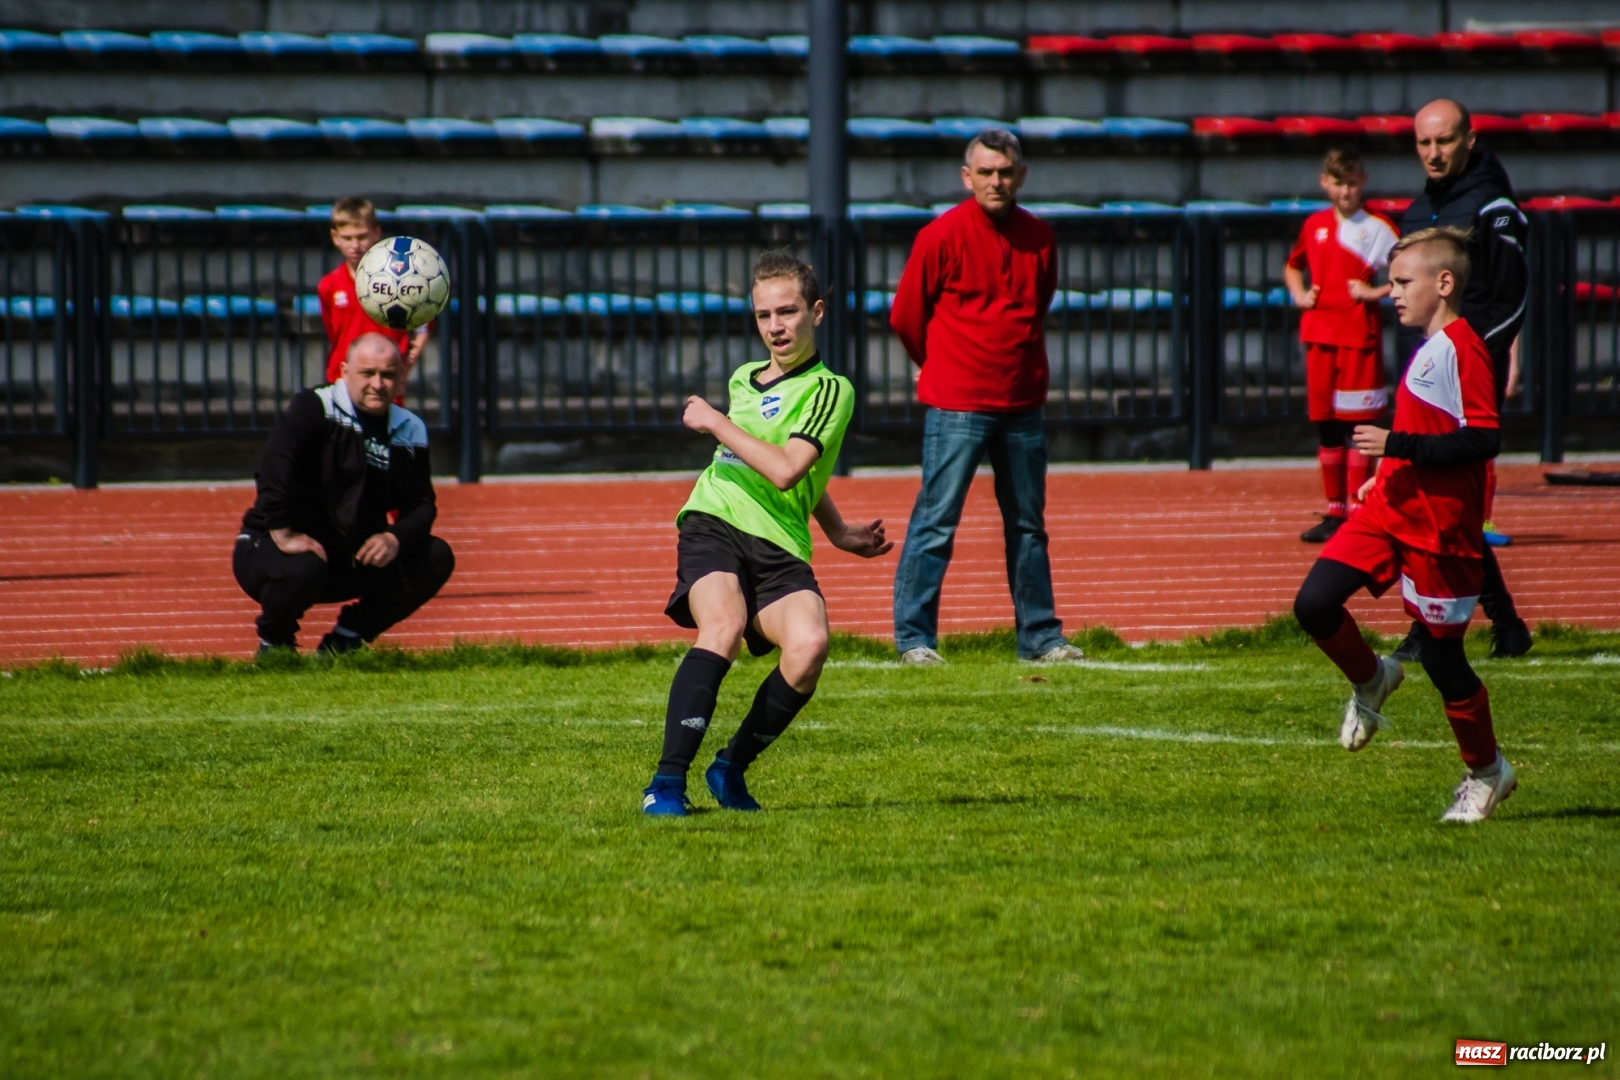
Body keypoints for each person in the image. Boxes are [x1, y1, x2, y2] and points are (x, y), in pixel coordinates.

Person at [641, 252, 893, 817]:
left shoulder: (830, 390)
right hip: (714, 519)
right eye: (763, 315)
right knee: (723, 625)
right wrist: (838, 530)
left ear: (817, 312)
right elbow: (763, 459)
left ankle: (729, 768)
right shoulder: (743, 379)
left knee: (809, 646)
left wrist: (715, 422)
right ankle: (666, 784)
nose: (775, 327)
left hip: (778, 541)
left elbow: (786, 469)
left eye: (787, 311)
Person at [1293, 227, 1515, 823]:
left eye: (1401, 282)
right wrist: (1386, 470)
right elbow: (1424, 427)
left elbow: (1483, 439)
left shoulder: (1463, 348)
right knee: (1314, 604)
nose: (1390, 292)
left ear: (1443, 283)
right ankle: (1372, 679)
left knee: (1443, 660)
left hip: (1439, 528)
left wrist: (1397, 445)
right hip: (1390, 509)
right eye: (1390, 282)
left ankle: (1488, 772)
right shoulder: (1429, 346)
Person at [888, 128, 1084, 667]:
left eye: (1005, 171)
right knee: (936, 522)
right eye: (985, 172)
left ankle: (1040, 638)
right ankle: (914, 640)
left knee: (1028, 526)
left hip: (1022, 403)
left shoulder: (1040, 237)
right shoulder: (940, 235)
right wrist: (939, 363)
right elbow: (906, 315)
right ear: (966, 177)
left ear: (1020, 175)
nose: (995, 181)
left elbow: (1038, 304)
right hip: (957, 403)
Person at [1394, 99, 1532, 661]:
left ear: (1469, 140)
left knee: (1441, 500)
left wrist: (1471, 359)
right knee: (1431, 501)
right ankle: (1498, 624)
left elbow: (1511, 296)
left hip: (1462, 377)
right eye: (1423, 143)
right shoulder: (1418, 210)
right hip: (1425, 374)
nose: (1433, 153)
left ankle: (1437, 627)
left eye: (1444, 141)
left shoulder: (1492, 207)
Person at [233, 333, 454, 654]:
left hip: (350, 558)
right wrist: (282, 531)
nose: (377, 384)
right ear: (344, 371)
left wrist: (395, 538)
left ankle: (346, 640)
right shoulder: (315, 406)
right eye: (368, 373)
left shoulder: (411, 429)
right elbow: (273, 468)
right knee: (303, 568)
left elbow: (421, 505)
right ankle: (276, 644)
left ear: (400, 378)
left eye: (388, 375)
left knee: (436, 556)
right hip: (277, 551)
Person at [1284, 146, 1398, 543]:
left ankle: (1359, 511)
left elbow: (1407, 270)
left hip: (1357, 338)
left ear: (1363, 181)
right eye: (1338, 183)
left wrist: (1375, 292)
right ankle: (1335, 511)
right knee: (1327, 424)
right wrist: (1300, 295)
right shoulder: (1315, 224)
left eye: (1351, 183)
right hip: (1320, 335)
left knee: (1360, 427)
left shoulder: (1378, 227)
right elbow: (1293, 265)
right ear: (1325, 183)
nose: (1346, 191)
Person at [318, 197, 429, 386]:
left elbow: (424, 320)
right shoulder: (328, 285)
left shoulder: (401, 280)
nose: (355, 245)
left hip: (385, 382)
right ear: (335, 237)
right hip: (342, 380)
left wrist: (414, 353)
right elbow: (334, 334)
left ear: (377, 233)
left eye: (361, 237)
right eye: (347, 238)